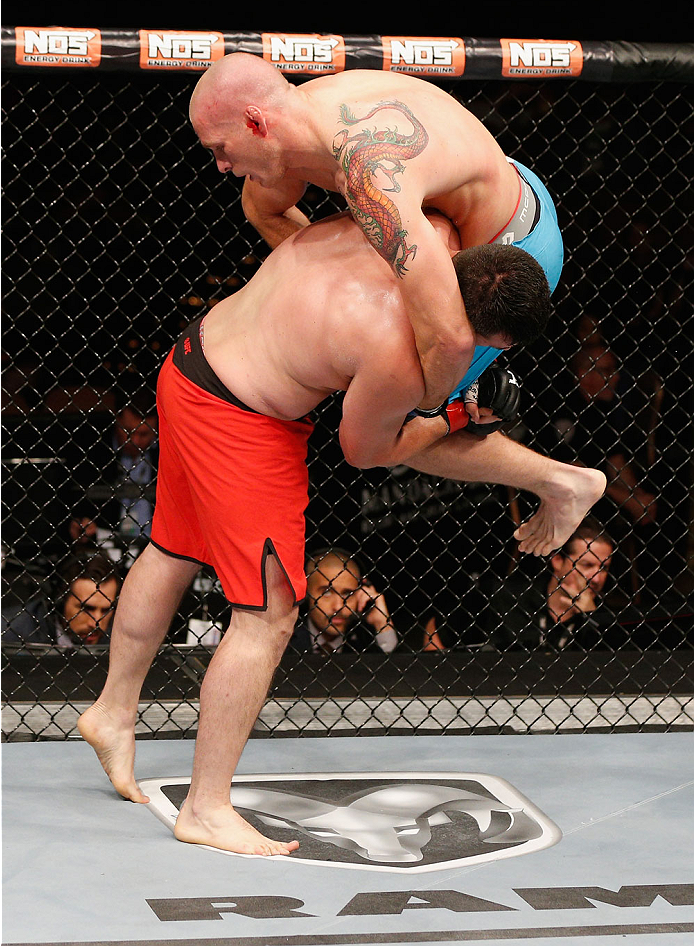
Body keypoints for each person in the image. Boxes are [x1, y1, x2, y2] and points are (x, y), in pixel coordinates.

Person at [77, 210, 604, 858]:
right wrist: (460, 413)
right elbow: (368, 449)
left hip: (193, 358)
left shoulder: (416, 224)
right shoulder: (395, 349)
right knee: (267, 616)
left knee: (174, 547)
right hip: (244, 419)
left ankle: (112, 710)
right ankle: (207, 807)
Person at [188, 53, 563, 413]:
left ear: (256, 123)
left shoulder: (367, 172)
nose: (221, 165)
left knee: (401, 411)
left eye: (220, 148)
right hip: (498, 178)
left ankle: (565, 480)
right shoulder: (292, 125)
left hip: (511, 243)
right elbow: (261, 209)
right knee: (394, 372)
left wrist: (427, 407)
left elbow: (450, 339)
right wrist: (327, 289)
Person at [423, 518, 616, 652]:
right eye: (587, 565)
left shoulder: (604, 623)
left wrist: (590, 617)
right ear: (557, 561)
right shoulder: (504, 597)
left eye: (604, 568)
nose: (597, 577)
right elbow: (437, 630)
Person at [290, 547, 397, 655]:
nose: (338, 606)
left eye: (347, 594)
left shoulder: (364, 642)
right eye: (326, 593)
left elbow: (395, 668)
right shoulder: (285, 641)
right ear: (306, 594)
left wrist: (382, 624)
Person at [1, 553, 120, 647]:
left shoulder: (120, 634)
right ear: (60, 601)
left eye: (106, 610)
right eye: (87, 609)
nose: (95, 623)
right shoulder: (10, 634)